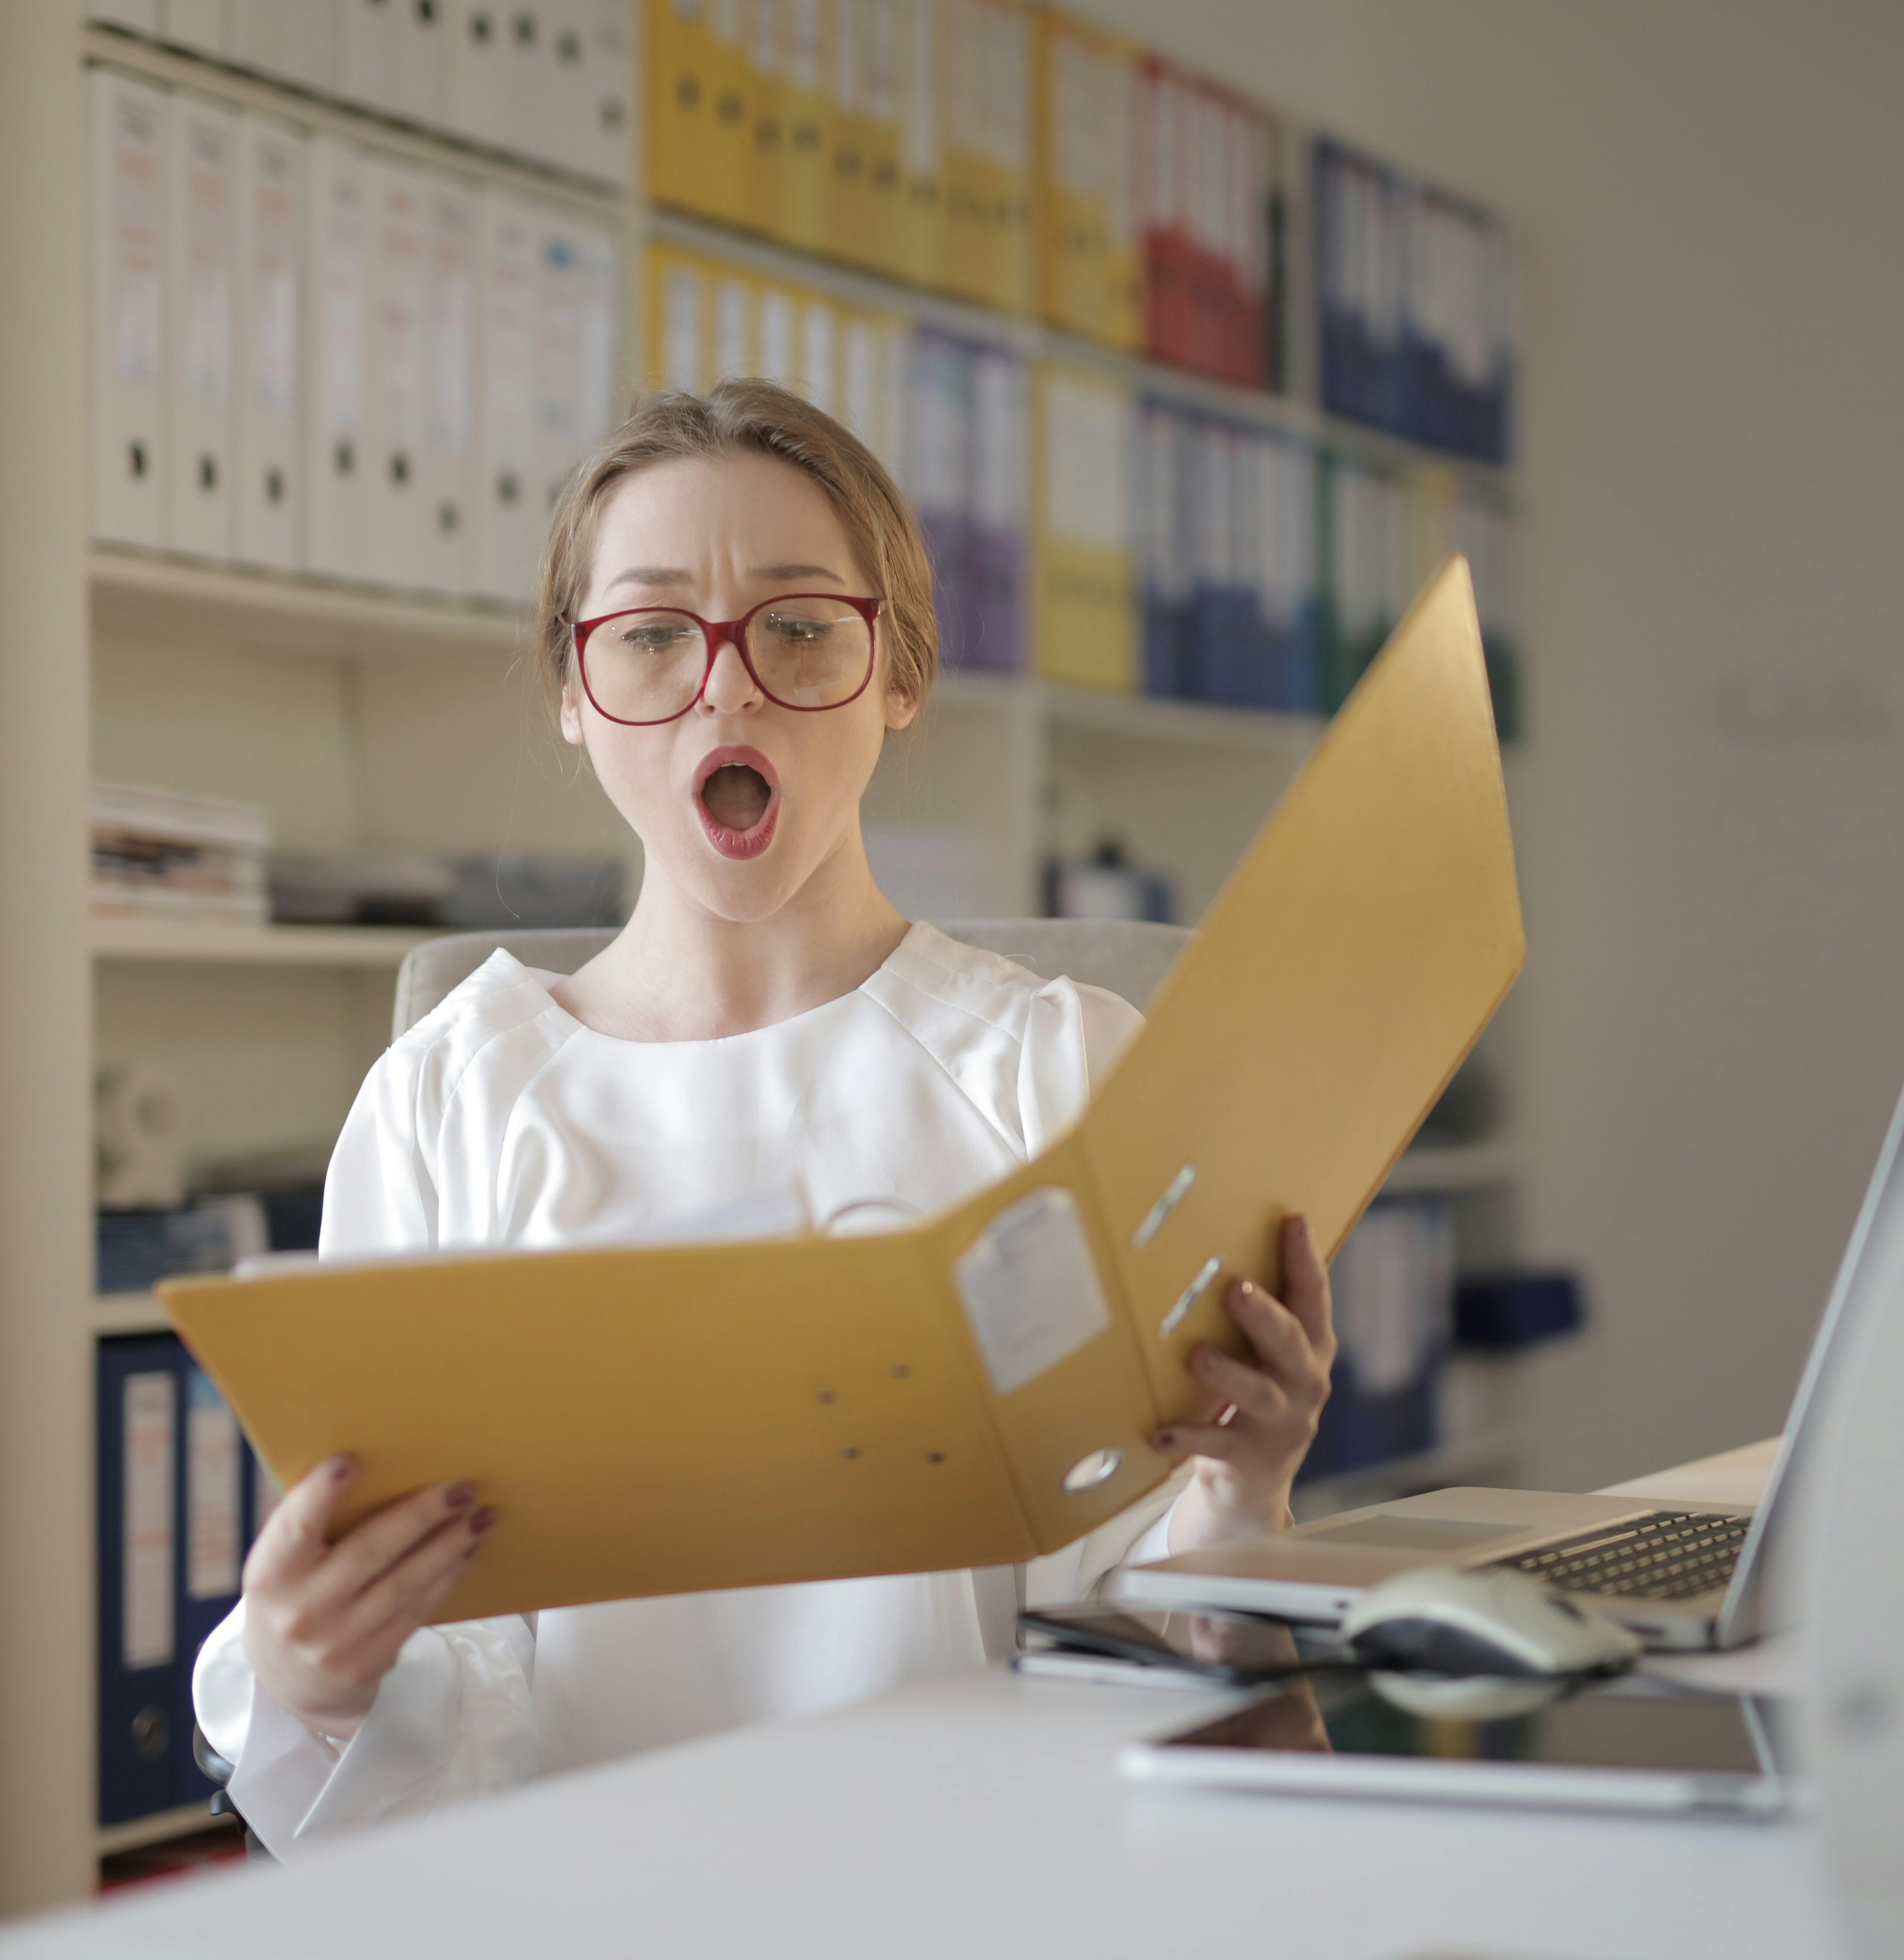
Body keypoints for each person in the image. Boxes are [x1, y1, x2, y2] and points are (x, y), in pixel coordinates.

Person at [191, 381, 1338, 1851]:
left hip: (983, 1890)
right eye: (654, 634)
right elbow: (432, 1688)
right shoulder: (449, 1096)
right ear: (572, 689)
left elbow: (1165, 1671)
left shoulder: (1062, 1072)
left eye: (797, 629)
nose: (724, 689)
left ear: (898, 672)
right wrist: (317, 1679)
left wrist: (1244, 1499)